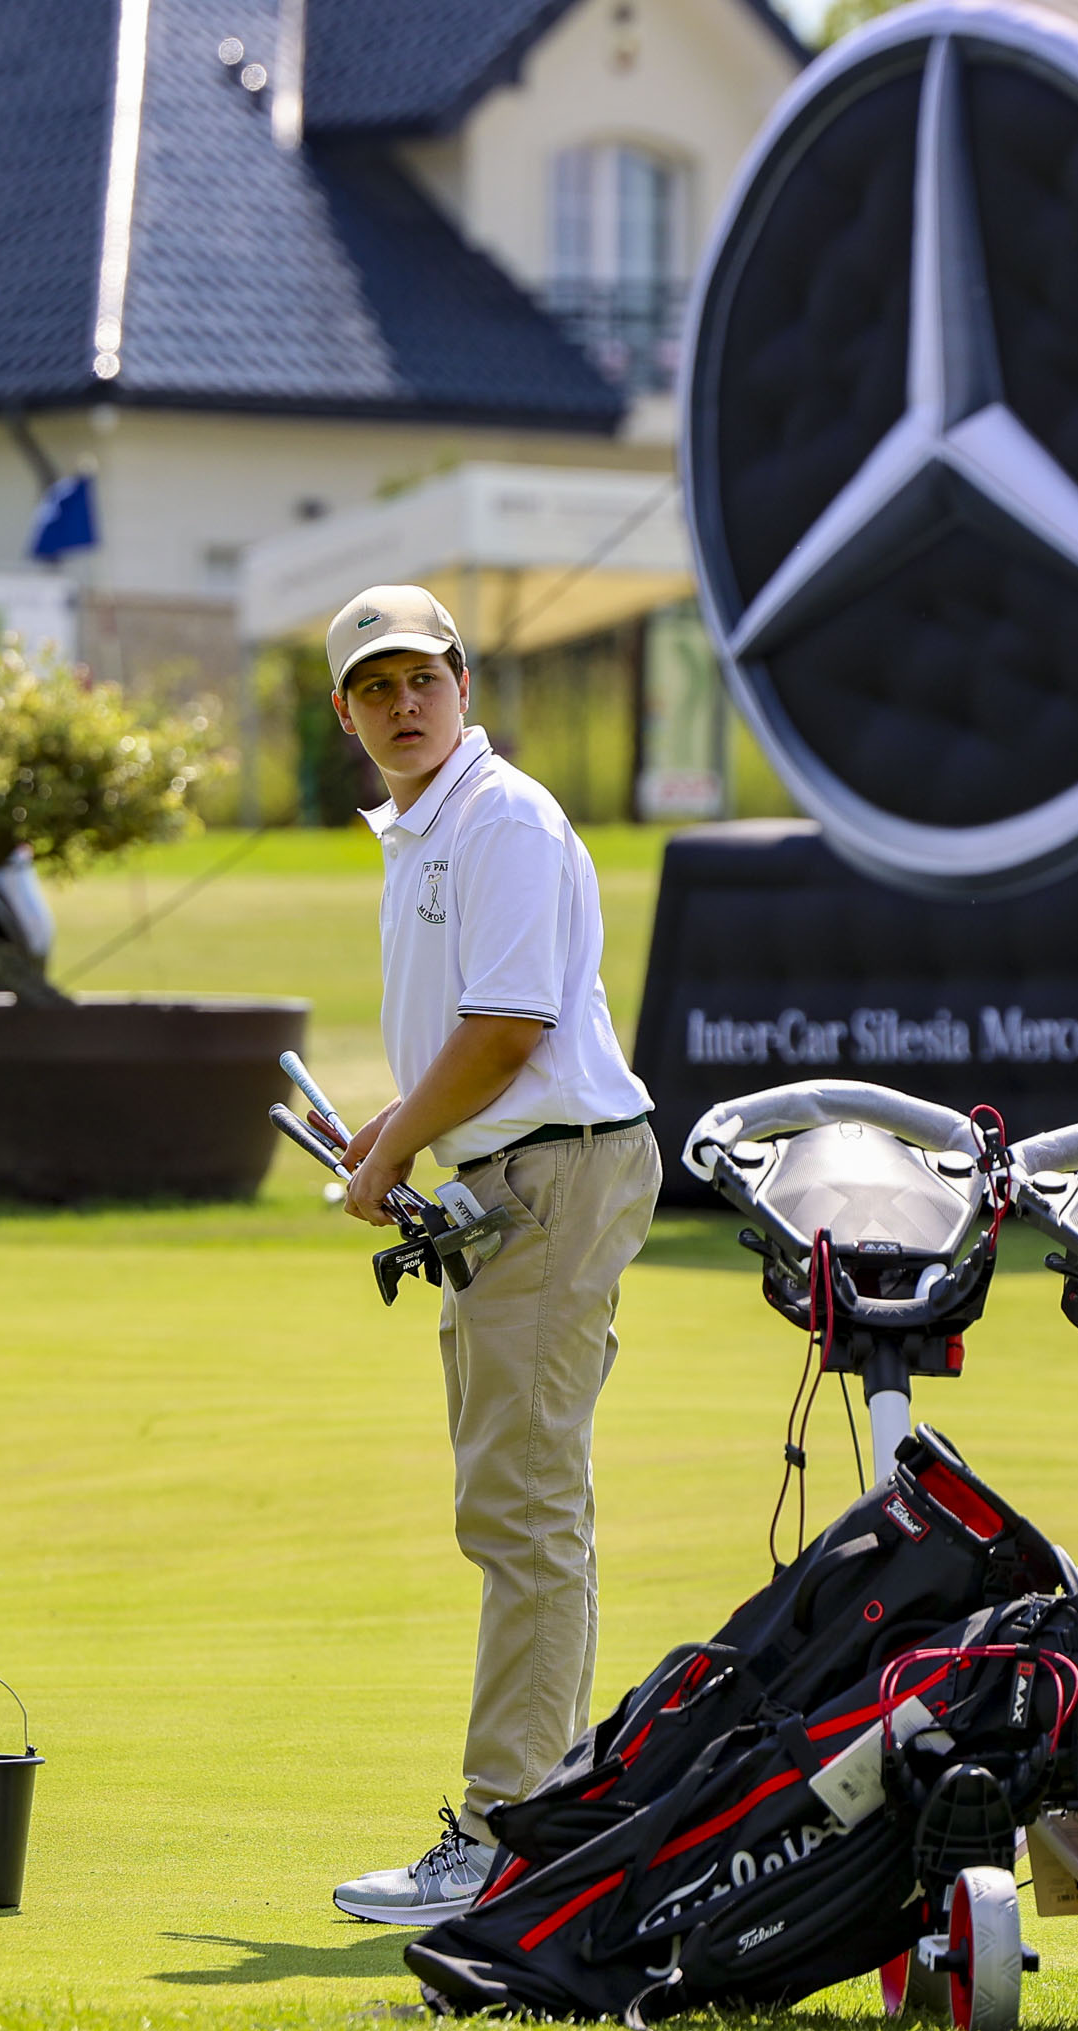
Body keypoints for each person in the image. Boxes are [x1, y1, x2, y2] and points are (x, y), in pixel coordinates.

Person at [318, 585, 660, 1925]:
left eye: (422, 679)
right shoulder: (429, 827)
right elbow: (480, 1038)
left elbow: (513, 1027)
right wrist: (404, 1129)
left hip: (554, 1170)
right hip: (517, 1172)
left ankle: (508, 1838)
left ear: (463, 684)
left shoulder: (500, 817)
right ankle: (542, 1823)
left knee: (523, 1513)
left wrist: (399, 1142)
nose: (402, 704)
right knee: (520, 1505)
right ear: (345, 712)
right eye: (374, 686)